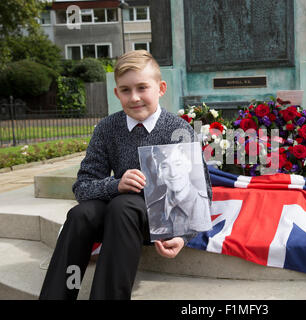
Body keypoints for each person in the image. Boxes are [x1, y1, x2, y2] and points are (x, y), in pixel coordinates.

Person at [39, 50, 212, 300]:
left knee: (125, 205)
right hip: (115, 216)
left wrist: (183, 237)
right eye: (126, 90)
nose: (135, 97)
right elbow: (83, 187)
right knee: (80, 214)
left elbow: (202, 192)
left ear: (161, 88)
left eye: (142, 88)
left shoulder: (178, 130)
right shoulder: (107, 128)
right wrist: (116, 184)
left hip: (152, 223)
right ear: (116, 92)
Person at [146, 144, 211, 241]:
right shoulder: (151, 211)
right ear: (159, 173)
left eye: (178, 164)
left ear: (188, 165)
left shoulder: (205, 206)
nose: (173, 173)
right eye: (165, 167)